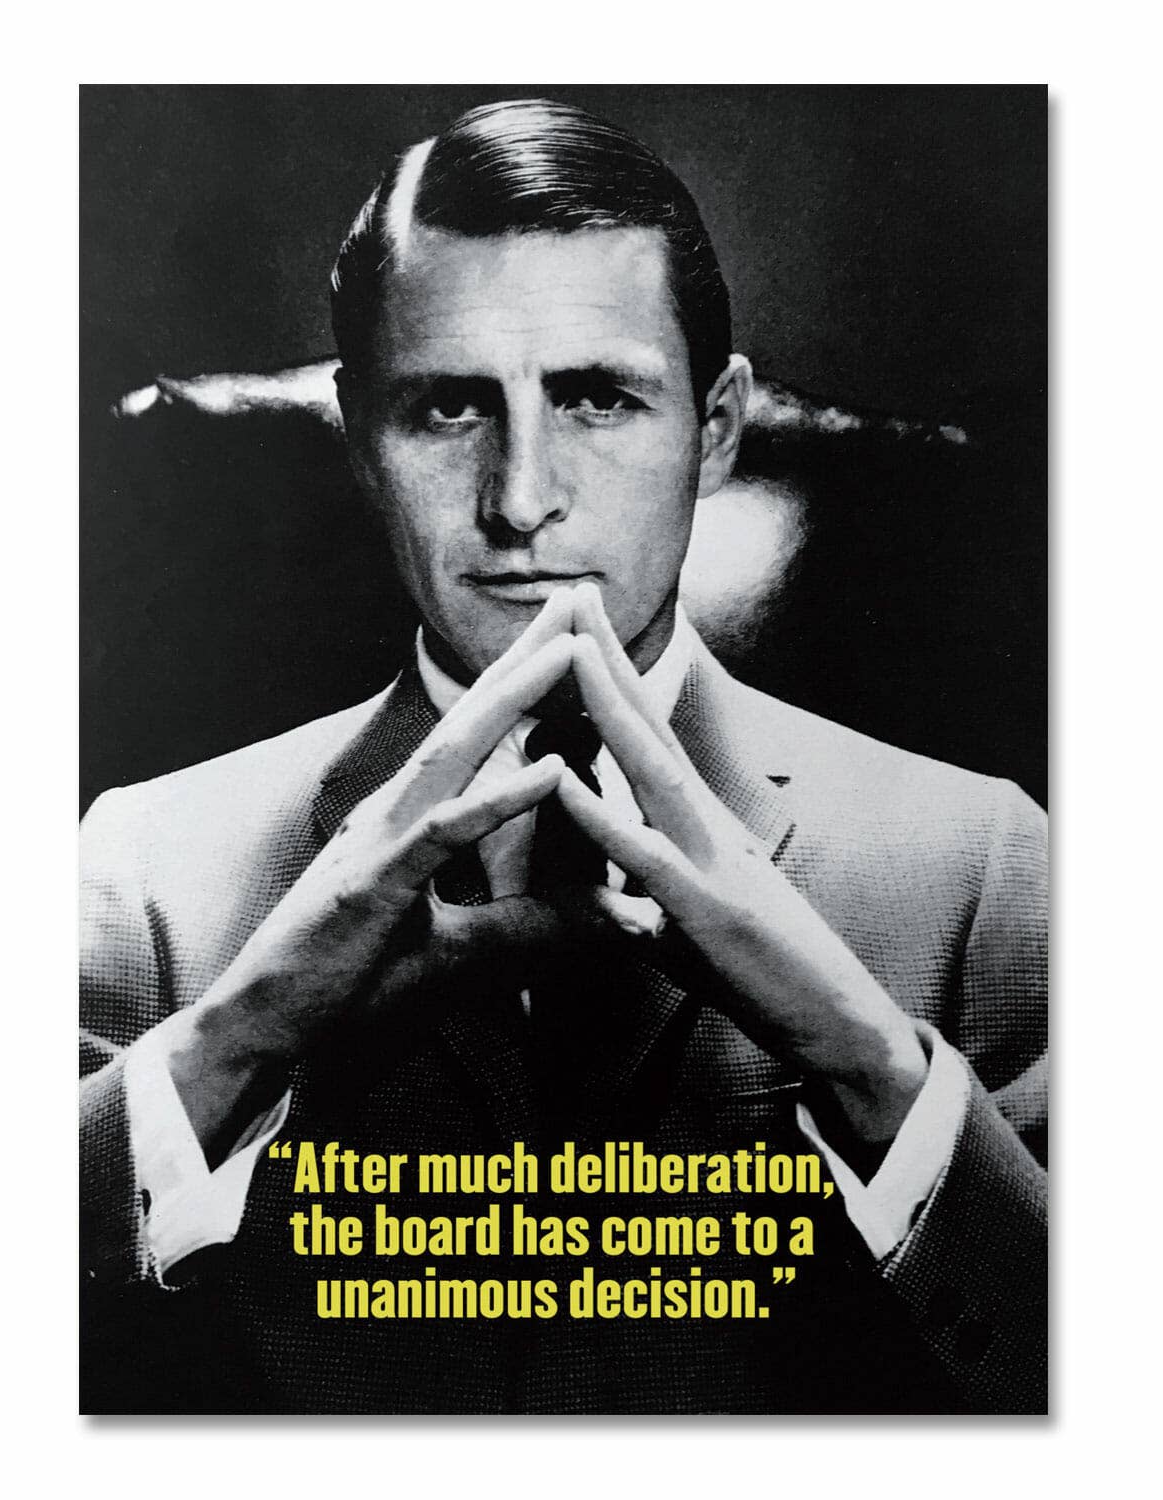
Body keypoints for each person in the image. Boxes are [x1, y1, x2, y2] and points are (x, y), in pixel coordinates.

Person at [80, 98, 1046, 1415]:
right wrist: (241, 1034)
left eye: (596, 397)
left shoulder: (985, 863)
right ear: (358, 435)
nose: (522, 499)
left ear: (716, 428)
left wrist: (870, 1059)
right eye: (446, 408)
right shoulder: (141, 865)